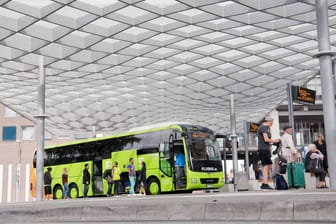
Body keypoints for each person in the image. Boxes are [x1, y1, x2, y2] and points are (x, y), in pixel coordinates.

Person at [257, 116, 280, 190]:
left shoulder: (264, 128)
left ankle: (264, 183)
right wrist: (275, 140)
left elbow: (265, 142)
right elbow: (266, 139)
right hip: (263, 150)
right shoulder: (263, 128)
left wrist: (273, 143)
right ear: (269, 121)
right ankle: (265, 184)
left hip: (265, 149)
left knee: (267, 166)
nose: (272, 124)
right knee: (266, 166)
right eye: (272, 122)